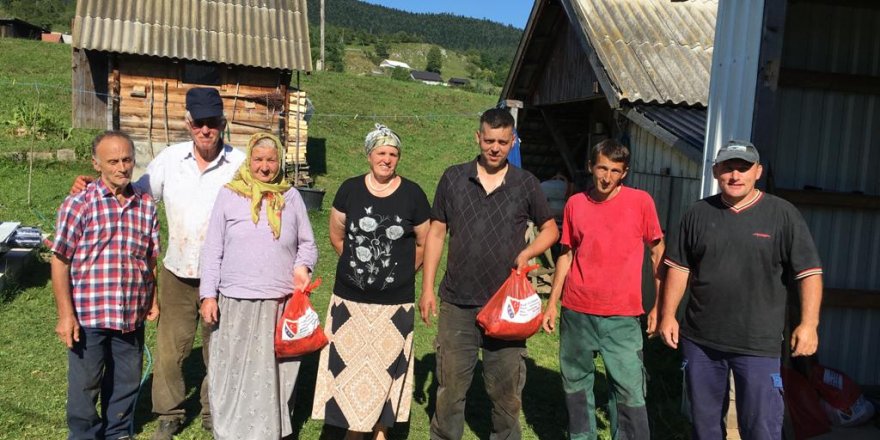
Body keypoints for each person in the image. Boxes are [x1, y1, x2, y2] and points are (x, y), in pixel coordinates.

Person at [71, 87, 245, 439]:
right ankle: (169, 412)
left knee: (222, 347)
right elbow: (133, 191)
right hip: (178, 270)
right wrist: (92, 185)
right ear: (188, 123)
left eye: (212, 123)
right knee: (170, 349)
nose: (205, 130)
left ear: (223, 124)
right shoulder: (170, 159)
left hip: (226, 274)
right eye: (199, 123)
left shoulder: (239, 163)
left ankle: (215, 411)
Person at [658, 140, 823, 440]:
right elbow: (679, 268)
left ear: (758, 172)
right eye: (727, 168)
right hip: (702, 341)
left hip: (758, 344)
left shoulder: (782, 214)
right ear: (715, 171)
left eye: (743, 168)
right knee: (704, 426)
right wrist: (668, 315)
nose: (735, 176)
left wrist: (809, 324)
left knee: (760, 429)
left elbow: (809, 273)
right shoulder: (697, 213)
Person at [419, 108, 559, 440]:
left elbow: (551, 230)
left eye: (502, 142)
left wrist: (527, 252)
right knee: (450, 388)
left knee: (506, 392)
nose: (495, 148)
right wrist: (427, 288)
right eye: (489, 140)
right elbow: (436, 234)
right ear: (477, 138)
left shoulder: (526, 183)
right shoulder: (453, 177)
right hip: (457, 302)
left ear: (512, 142)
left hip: (507, 304)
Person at [311, 124, 430, 440]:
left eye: (393, 154)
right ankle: (351, 428)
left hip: (394, 304)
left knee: (385, 370)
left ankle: (379, 430)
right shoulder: (350, 189)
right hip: (350, 301)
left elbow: (424, 242)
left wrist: (402, 274)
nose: (387, 159)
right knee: (348, 369)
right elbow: (337, 235)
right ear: (369, 155)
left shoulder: (413, 194)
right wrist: (359, 269)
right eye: (381, 152)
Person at [541, 139, 664, 440]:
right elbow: (566, 255)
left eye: (615, 170)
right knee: (576, 386)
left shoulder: (641, 202)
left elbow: (657, 252)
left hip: (622, 316)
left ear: (625, 173)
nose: (607, 177)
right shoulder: (575, 204)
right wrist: (552, 303)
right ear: (590, 167)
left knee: (629, 391)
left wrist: (660, 305)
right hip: (577, 312)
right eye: (602, 168)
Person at [198, 132, 317, 439]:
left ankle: (269, 429)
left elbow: (307, 244)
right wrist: (208, 295)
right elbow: (213, 248)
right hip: (234, 299)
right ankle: (231, 430)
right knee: (233, 369)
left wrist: (301, 267)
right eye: (259, 160)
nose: (265, 167)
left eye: (271, 160)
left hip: (279, 302)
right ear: (249, 160)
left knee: (273, 372)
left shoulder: (290, 197)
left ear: (279, 162)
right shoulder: (229, 194)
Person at [51, 131, 160, 440]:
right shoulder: (79, 204)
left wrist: (152, 298)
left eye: (127, 160)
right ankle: (84, 434)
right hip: (89, 313)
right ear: (96, 164)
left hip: (130, 313)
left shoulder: (146, 206)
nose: (121, 168)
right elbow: (59, 260)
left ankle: (118, 431)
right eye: (112, 161)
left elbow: (150, 258)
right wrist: (65, 315)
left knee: (126, 380)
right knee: (85, 383)